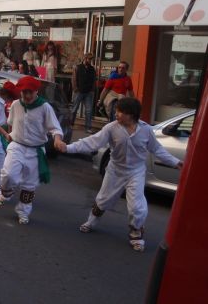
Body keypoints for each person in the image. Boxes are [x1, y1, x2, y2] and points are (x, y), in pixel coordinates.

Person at [58, 98, 183, 252]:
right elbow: (92, 142)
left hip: (136, 172)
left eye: (120, 112)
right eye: (116, 110)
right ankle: (91, 221)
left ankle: (136, 234)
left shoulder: (146, 130)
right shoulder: (111, 128)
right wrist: (68, 148)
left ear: (131, 115)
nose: (116, 114)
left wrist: (176, 162)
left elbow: (157, 149)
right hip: (115, 170)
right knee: (103, 200)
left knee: (137, 206)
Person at [0, 76, 65, 225]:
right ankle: (6, 193)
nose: (26, 96)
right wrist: (9, 135)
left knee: (29, 184)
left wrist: (58, 139)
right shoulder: (15, 105)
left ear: (36, 91)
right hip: (17, 146)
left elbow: (55, 128)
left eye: (30, 92)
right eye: (24, 92)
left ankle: (23, 212)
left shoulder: (45, 107)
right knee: (8, 174)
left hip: (35, 151)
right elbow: (11, 123)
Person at [71, 53, 96, 133]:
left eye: (91, 59)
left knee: (88, 110)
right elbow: (74, 78)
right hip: (79, 91)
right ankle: (70, 124)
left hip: (88, 92)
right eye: (88, 59)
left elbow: (93, 80)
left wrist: (92, 90)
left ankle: (88, 127)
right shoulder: (78, 67)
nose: (90, 60)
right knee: (74, 109)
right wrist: (75, 89)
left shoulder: (92, 69)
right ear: (84, 58)